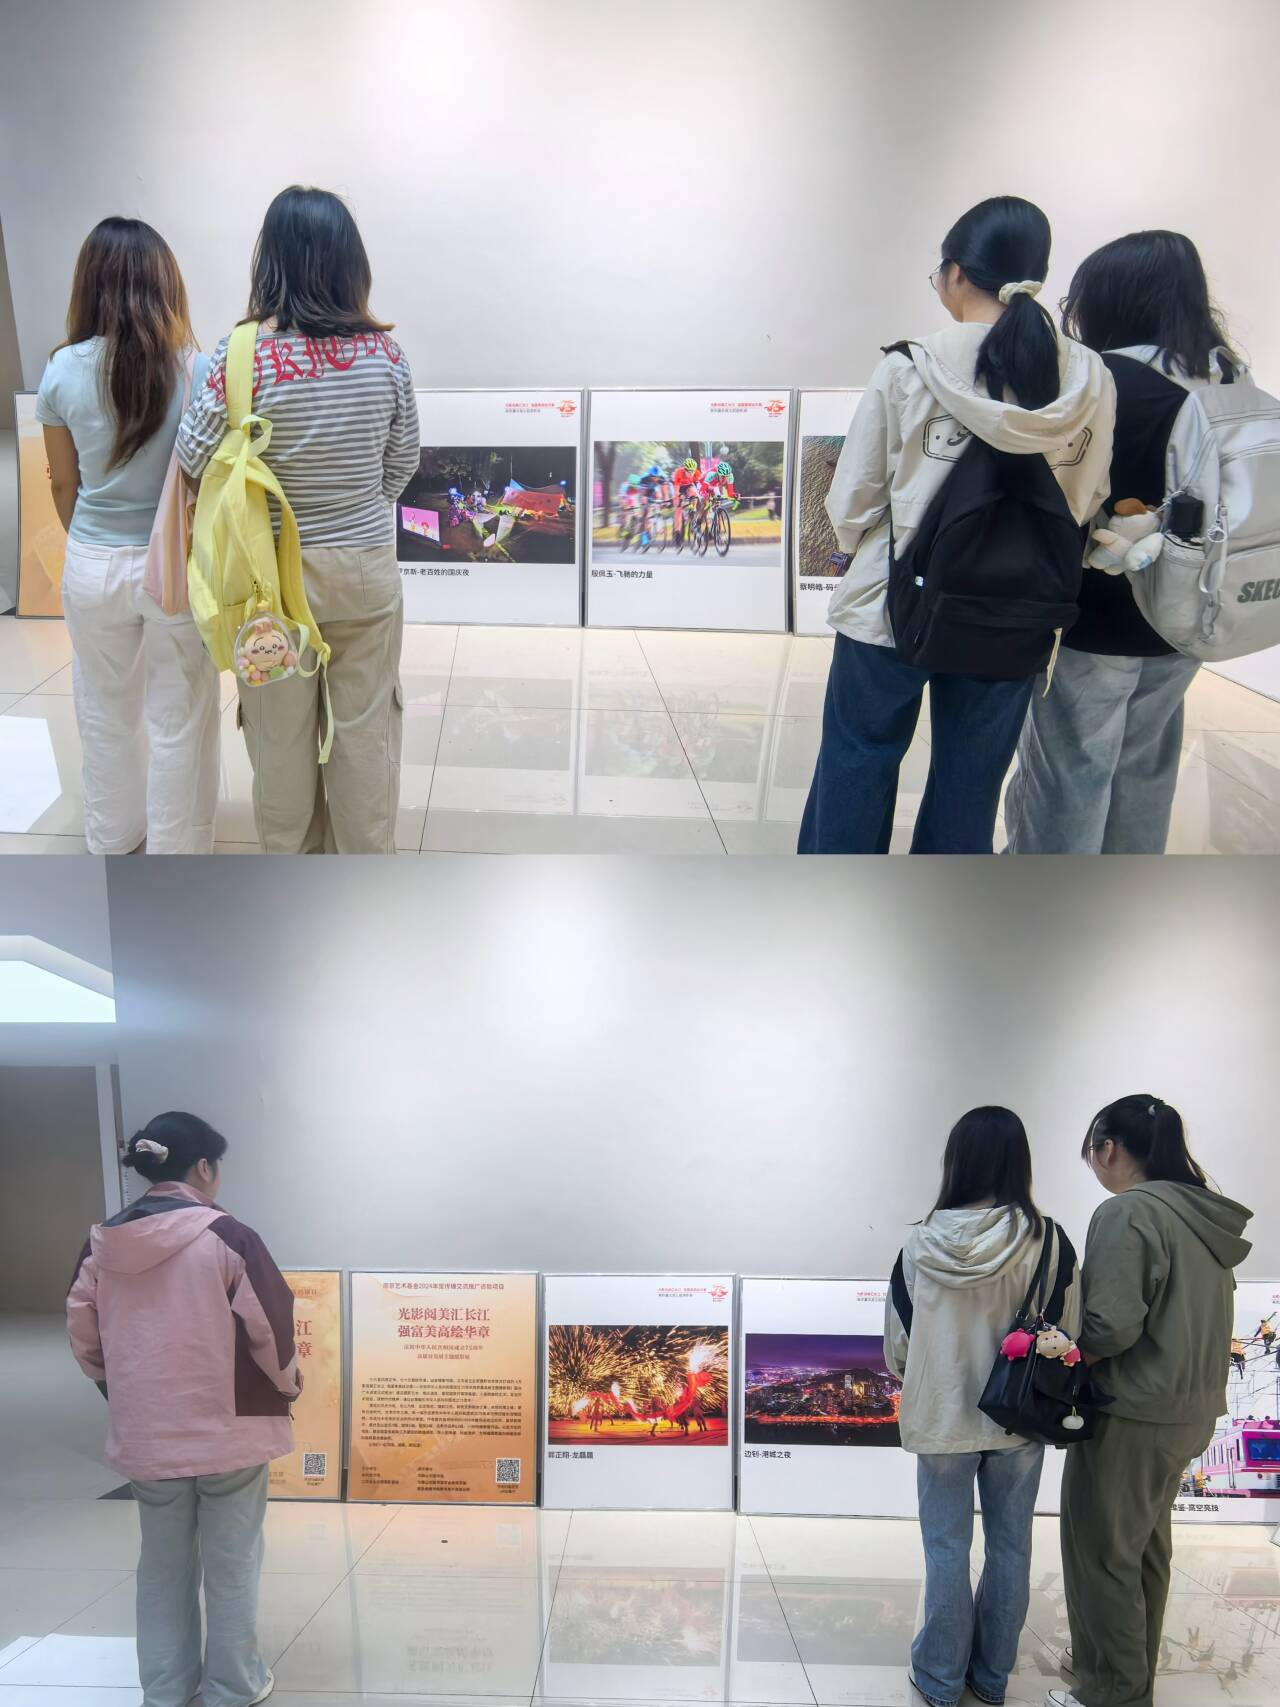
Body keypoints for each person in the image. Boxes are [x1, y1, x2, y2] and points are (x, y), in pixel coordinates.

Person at [799, 195, 1114, 854]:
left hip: (893, 606)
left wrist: (857, 545)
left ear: (956, 273)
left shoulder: (911, 366)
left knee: (859, 759)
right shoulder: (1089, 380)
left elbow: (852, 501)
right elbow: (1088, 499)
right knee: (971, 785)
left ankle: (832, 904)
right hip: (1018, 613)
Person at [177, 186, 419, 854]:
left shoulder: (239, 355)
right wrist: (354, 509)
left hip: (267, 585)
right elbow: (402, 465)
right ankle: (365, 880)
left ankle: (290, 884)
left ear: (271, 261)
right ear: (351, 263)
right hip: (365, 571)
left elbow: (193, 457)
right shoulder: (387, 357)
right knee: (366, 735)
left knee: (278, 742)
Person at [1006, 233, 1243, 853]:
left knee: (1071, 771)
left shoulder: (1103, 379)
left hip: (1099, 614)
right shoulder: (1225, 380)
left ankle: (1045, 903)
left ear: (1112, 300)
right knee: (1146, 768)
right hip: (1188, 614)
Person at [66, 1112, 299, 1707]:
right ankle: (234, 1685)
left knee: (162, 1564)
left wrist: (124, 1393)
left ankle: (167, 1688)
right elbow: (271, 1330)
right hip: (230, 1431)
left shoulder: (101, 1245)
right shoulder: (229, 1237)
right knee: (233, 1561)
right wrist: (289, 1386)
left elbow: (84, 1340)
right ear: (203, 1167)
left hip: (148, 1433)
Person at [1049, 1096, 1252, 1707]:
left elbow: (1111, 1326)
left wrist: (1064, 1353)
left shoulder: (1127, 1213)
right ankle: (1124, 1679)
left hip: (1131, 1410)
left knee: (1100, 1552)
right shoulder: (1202, 1216)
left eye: (1091, 1152)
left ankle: (1111, 1692)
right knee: (1144, 1549)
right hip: (1190, 1410)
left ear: (1108, 1148)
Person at [885, 1106, 1081, 1707]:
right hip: (1019, 1418)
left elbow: (899, 1346)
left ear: (957, 1160)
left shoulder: (919, 1243)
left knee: (946, 1549)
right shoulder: (1049, 1240)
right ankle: (991, 1678)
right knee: (1011, 1547)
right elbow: (1068, 1332)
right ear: (1020, 1161)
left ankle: (940, 1678)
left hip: (942, 1416)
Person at [36, 218, 220, 854]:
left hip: (93, 561)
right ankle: (176, 852)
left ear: (89, 283)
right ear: (164, 282)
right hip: (175, 567)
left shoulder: (61, 370)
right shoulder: (196, 369)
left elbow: (64, 484)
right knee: (179, 716)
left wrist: (92, 542)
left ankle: (113, 841)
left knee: (104, 712)